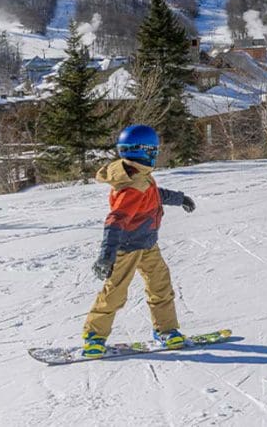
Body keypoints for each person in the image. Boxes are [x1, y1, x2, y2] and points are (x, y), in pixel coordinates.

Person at [81, 125, 197, 358]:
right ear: (143, 151)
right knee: (115, 292)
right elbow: (115, 221)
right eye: (153, 151)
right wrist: (107, 255)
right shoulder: (132, 186)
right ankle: (95, 336)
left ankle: (166, 330)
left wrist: (179, 198)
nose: (155, 155)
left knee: (160, 285)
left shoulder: (139, 175)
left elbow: (156, 194)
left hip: (147, 245)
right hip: (127, 248)